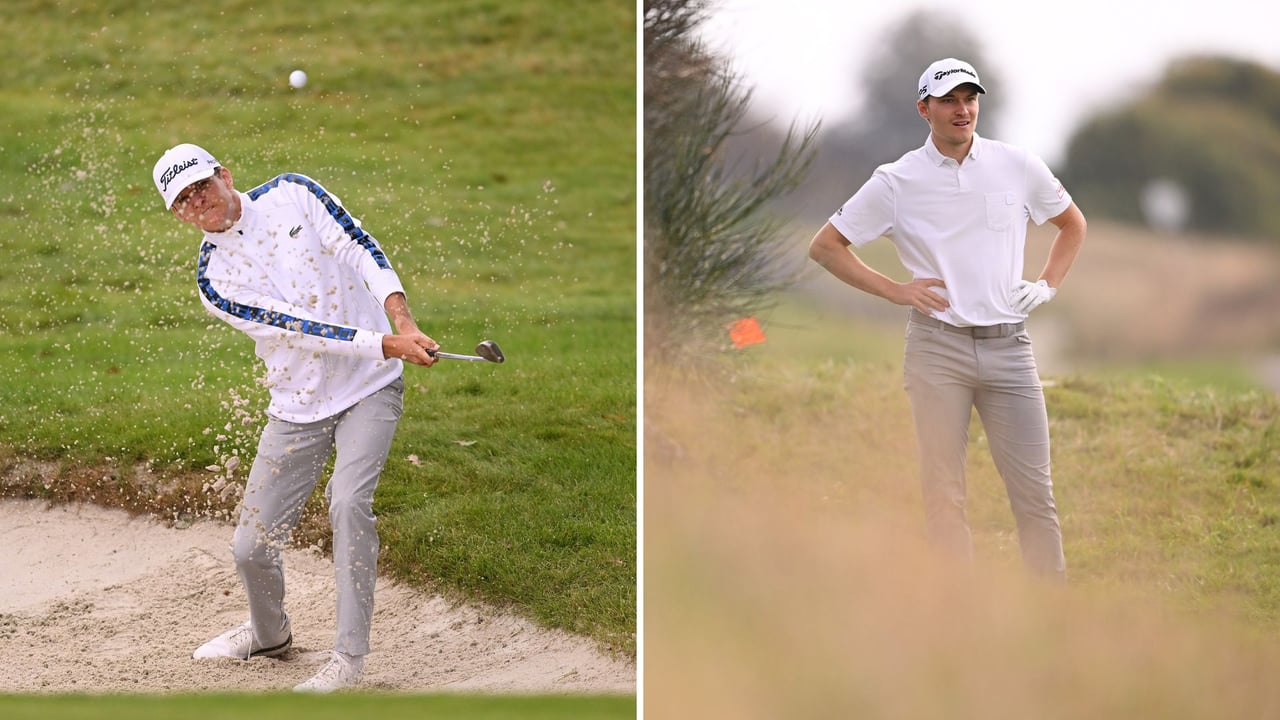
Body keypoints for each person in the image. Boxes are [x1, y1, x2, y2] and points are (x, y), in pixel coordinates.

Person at [151, 143, 440, 691]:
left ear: (224, 175)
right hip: (297, 405)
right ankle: (269, 635)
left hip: (369, 387)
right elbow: (298, 328)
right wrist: (388, 343)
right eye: (184, 200)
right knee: (250, 547)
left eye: (202, 186)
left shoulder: (293, 193)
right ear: (178, 215)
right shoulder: (214, 280)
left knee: (348, 504)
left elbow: (359, 247)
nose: (198, 201)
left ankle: (348, 659)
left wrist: (401, 319)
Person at [807, 59, 1087, 580]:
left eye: (970, 98)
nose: (963, 110)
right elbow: (825, 247)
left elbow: (1072, 225)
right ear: (924, 109)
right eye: (949, 100)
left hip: (1009, 349)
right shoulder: (896, 181)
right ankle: (954, 614)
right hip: (936, 350)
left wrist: (1047, 284)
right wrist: (895, 290)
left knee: (1035, 496)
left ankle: (1051, 614)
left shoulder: (1017, 164)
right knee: (943, 496)